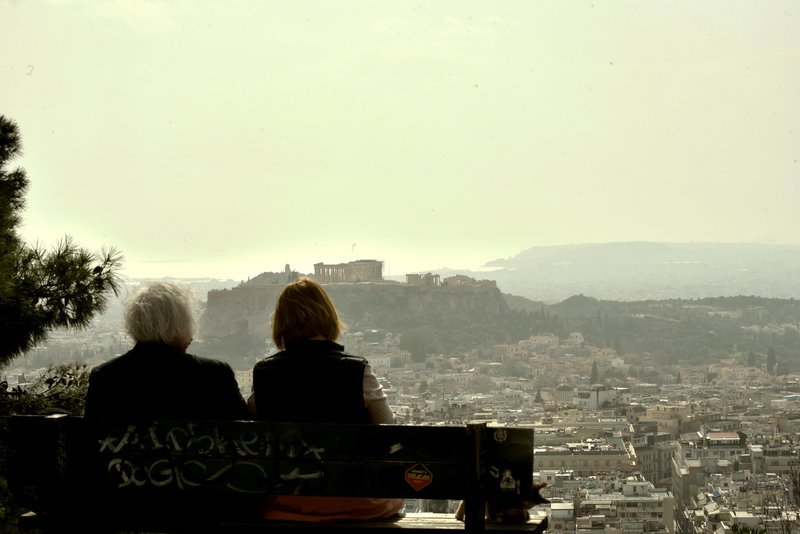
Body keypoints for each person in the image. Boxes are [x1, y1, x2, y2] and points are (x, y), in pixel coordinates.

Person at [249, 276, 403, 522]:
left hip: (287, 503)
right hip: (358, 501)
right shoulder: (357, 370)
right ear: (328, 317)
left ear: (280, 324)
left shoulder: (264, 373)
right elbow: (388, 429)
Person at [85, 280, 248, 420]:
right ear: (179, 326)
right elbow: (247, 435)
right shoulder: (215, 376)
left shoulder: (105, 378)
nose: (191, 338)